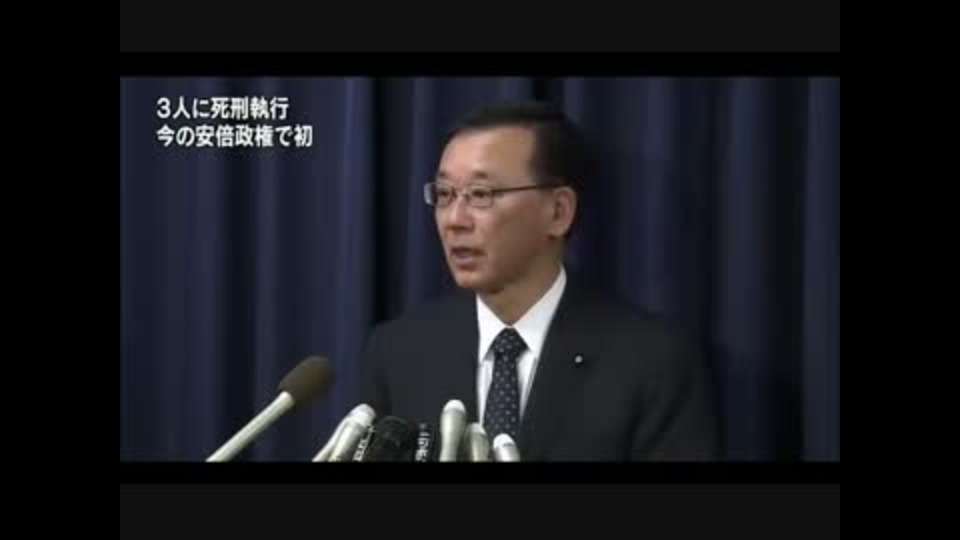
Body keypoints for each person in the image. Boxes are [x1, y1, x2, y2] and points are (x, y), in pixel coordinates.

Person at [358, 100, 718, 461]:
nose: (454, 220)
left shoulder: (652, 363)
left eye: (481, 194)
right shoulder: (399, 352)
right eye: (444, 194)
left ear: (558, 212)